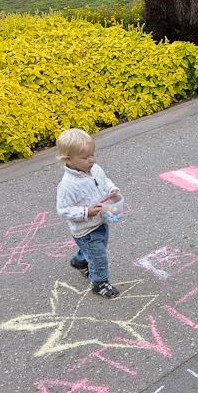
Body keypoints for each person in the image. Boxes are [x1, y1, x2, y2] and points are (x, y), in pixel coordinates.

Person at [55, 128, 123, 299]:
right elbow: (63, 210)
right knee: (98, 257)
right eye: (85, 158)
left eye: (92, 155)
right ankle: (100, 282)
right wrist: (86, 212)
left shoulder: (95, 169)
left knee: (96, 250)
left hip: (100, 220)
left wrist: (112, 189)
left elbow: (104, 181)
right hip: (85, 230)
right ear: (68, 160)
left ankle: (80, 261)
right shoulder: (68, 185)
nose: (91, 160)